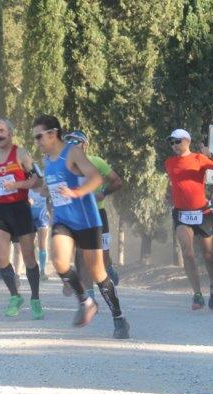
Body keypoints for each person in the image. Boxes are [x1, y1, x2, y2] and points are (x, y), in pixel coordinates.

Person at [34, 114, 129, 339]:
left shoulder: (73, 153)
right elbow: (52, 187)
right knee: (59, 261)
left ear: (52, 134)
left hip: (86, 220)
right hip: (63, 220)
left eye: (39, 136)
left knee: (98, 273)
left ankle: (118, 317)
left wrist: (76, 192)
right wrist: (44, 190)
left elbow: (96, 178)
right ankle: (85, 301)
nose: (36, 141)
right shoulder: (47, 160)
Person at [164, 128, 213, 310]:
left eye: (177, 141)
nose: (174, 145)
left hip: (202, 213)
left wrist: (211, 156)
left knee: (208, 255)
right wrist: (169, 196)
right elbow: (175, 184)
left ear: (187, 141)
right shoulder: (169, 163)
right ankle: (197, 294)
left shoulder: (199, 159)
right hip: (181, 214)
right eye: (171, 142)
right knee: (187, 253)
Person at [0, 118, 44, 320]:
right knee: (2, 259)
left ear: (10, 133)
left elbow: (37, 180)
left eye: (2, 131)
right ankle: (15, 296)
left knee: (29, 258)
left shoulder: (21, 154)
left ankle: (35, 298)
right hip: (0, 210)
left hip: (20, 209)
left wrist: (17, 185)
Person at [64, 131, 123, 301]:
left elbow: (117, 181)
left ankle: (108, 266)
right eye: (68, 141)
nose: (72, 144)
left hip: (98, 214)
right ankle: (89, 296)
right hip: (78, 216)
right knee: (82, 255)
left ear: (85, 145)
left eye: (76, 141)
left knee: (101, 258)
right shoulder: (64, 165)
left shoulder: (96, 161)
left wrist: (103, 192)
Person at [28, 189, 49, 280]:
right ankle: (32, 269)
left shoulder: (45, 186)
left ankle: (42, 270)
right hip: (30, 217)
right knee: (30, 245)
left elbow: (51, 198)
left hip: (43, 217)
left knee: (42, 244)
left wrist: (50, 211)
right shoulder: (28, 187)